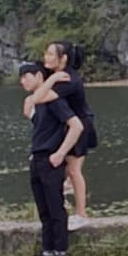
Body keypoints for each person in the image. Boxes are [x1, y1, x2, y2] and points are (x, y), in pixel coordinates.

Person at [23, 41, 98, 229]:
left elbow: (38, 98)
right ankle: (65, 203)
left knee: (74, 170)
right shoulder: (57, 75)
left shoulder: (67, 79)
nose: (46, 57)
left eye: (50, 54)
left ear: (63, 58)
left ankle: (81, 214)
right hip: (66, 126)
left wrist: (51, 80)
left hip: (80, 126)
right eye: (46, 53)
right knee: (62, 171)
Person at [17, 61, 83, 256]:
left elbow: (76, 126)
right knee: (43, 209)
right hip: (37, 159)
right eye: (20, 78)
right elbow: (33, 117)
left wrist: (61, 153)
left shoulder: (54, 100)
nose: (22, 81)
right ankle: (47, 251)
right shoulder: (38, 103)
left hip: (51, 159)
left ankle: (61, 251)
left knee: (55, 207)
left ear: (39, 76)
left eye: (26, 77)